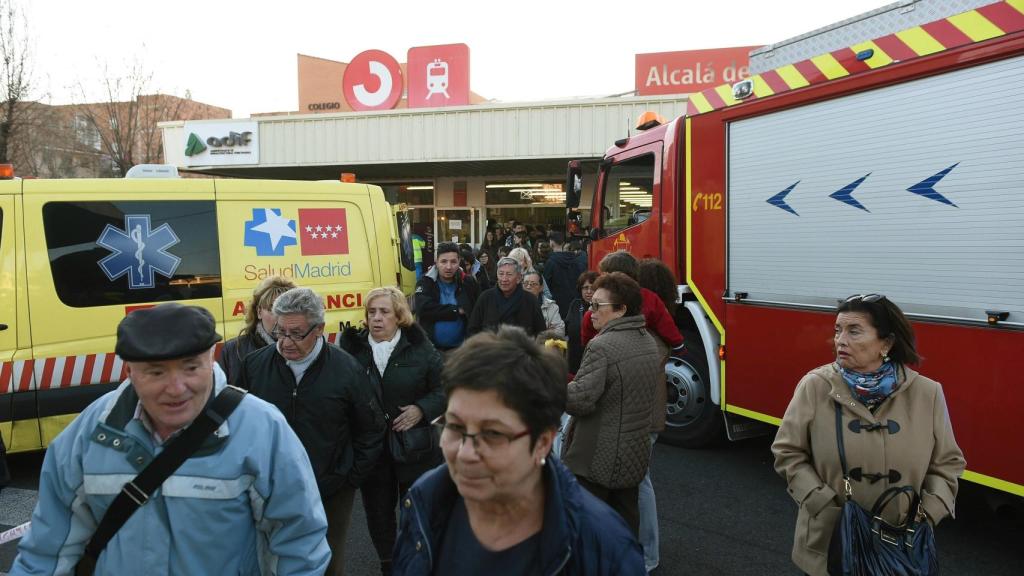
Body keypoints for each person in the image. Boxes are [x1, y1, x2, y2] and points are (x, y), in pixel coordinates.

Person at [11, 304, 330, 575]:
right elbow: (45, 553)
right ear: (129, 371)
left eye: (190, 367)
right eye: (156, 372)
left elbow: (299, 546)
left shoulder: (263, 429)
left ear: (211, 359)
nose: (177, 388)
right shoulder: (87, 435)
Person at [391, 326, 646, 575]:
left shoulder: (604, 547)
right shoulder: (424, 500)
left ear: (543, 443)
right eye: (455, 426)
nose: (466, 454)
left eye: (493, 434)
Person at [771, 294, 965, 576]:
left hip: (901, 544)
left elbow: (947, 462)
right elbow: (787, 452)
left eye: (854, 331)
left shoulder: (927, 393)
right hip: (830, 540)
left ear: (885, 343)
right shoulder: (815, 386)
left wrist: (929, 512)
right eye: (838, 330)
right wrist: (821, 503)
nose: (840, 340)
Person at [239, 288, 386, 576]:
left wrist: (348, 478)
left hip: (330, 490)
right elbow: (237, 422)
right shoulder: (254, 365)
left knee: (326, 565)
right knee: (265, 561)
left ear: (319, 329)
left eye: (296, 333)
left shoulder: (346, 370)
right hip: (267, 488)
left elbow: (370, 429)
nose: (285, 342)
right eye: (279, 332)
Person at [338, 287, 445, 576]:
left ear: (399, 316)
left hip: (414, 448)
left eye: (384, 312)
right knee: (378, 513)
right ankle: (389, 564)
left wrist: (421, 409)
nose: (376, 318)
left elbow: (444, 388)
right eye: (371, 312)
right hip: (371, 450)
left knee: (415, 509)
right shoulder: (351, 350)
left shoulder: (420, 348)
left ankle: (415, 561)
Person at [562, 272, 661, 537]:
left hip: (598, 455)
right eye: (590, 303)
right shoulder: (648, 341)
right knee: (626, 526)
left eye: (597, 306)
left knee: (588, 531)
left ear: (621, 310)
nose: (590, 311)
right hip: (633, 451)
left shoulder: (602, 346)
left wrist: (552, 383)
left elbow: (580, 400)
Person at [218, 275, 296, 385]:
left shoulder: (305, 347)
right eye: (273, 310)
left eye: (287, 311)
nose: (280, 318)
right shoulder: (234, 350)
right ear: (259, 312)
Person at [414, 242, 480, 352]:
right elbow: (423, 309)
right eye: (444, 261)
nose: (448, 267)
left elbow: (478, 311)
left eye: (453, 262)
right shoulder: (425, 282)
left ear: (459, 262)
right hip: (431, 350)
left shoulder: (468, 282)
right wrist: (456, 310)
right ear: (436, 261)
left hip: (463, 351)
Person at [467, 257, 546, 337]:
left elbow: (541, 333)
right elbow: (473, 329)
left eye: (509, 274)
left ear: (519, 278)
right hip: (490, 347)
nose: (504, 279)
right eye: (501, 274)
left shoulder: (530, 300)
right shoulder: (485, 297)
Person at [543, 231, 588, 318]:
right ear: (563, 243)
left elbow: (545, 285)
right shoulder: (576, 260)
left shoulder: (551, 262)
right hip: (575, 302)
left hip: (557, 304)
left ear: (551, 243)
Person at [566, 271, 599, 376]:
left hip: (593, 359)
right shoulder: (575, 304)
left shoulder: (601, 308)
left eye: (592, 288)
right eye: (585, 288)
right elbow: (567, 326)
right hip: (574, 359)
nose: (589, 291)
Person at [523, 270, 565, 338]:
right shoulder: (514, 305)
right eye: (525, 283)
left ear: (541, 287)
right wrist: (547, 331)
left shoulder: (551, 307)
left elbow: (560, 332)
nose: (528, 287)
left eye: (533, 284)